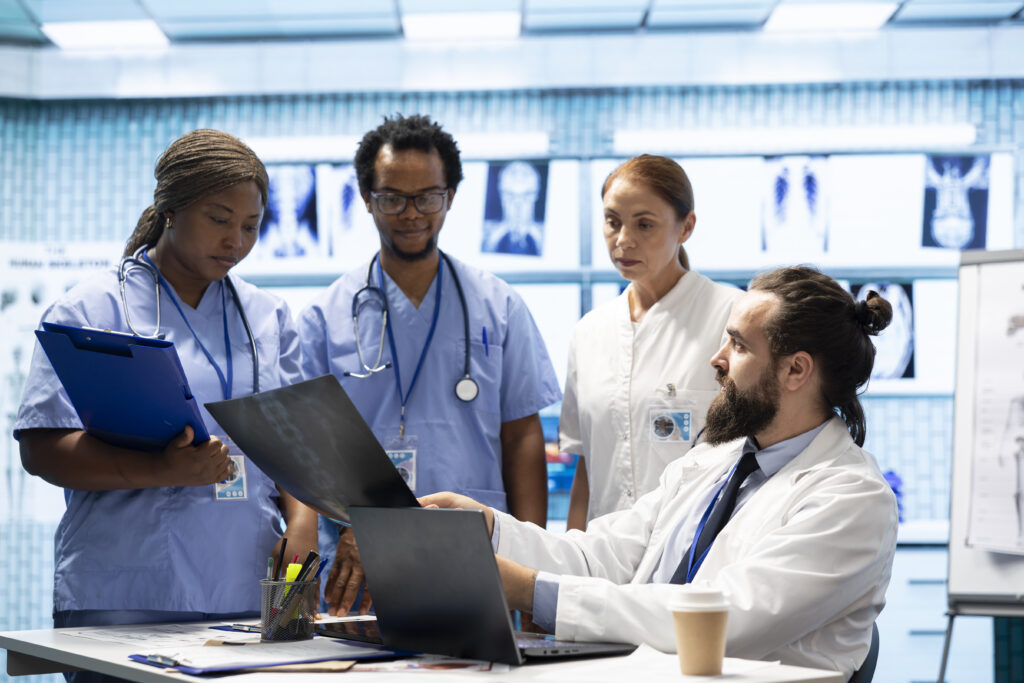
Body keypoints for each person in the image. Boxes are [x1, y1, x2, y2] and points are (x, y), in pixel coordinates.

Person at [423, 266, 899, 680]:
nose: (717, 360)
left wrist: (528, 588)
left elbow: (722, 619)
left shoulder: (852, 499)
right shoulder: (713, 462)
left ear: (796, 370)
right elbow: (602, 556)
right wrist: (487, 530)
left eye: (737, 345)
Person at [14, 130, 316, 676]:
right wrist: (162, 469)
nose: (236, 242)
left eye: (250, 226)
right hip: (125, 590)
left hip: (251, 587)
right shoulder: (92, 307)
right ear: (170, 211)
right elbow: (42, 450)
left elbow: (294, 445)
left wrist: (303, 526)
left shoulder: (269, 318)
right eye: (218, 219)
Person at [299, 114, 561, 615]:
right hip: (361, 556)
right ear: (365, 197)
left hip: (478, 548)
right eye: (392, 197)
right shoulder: (323, 317)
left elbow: (522, 437)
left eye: (428, 197)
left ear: (452, 196)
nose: (411, 213)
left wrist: (531, 567)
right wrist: (351, 529)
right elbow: (310, 448)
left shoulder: (499, 306)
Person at [562, 155, 742, 529]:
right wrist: (572, 562)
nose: (623, 241)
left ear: (686, 227)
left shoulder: (731, 317)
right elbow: (587, 469)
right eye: (613, 222)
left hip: (695, 555)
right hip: (604, 561)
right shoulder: (589, 332)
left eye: (644, 224)